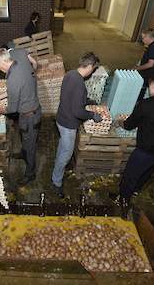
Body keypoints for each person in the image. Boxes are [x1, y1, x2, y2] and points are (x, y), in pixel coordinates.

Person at [110, 73, 154, 216]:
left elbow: (129, 125)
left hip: (146, 150)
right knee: (148, 170)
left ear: (152, 86)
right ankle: (136, 190)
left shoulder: (146, 105)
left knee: (130, 175)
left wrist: (119, 122)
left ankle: (122, 200)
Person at [51, 52, 102, 198]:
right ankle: (56, 182)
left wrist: (85, 100)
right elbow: (78, 112)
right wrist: (93, 115)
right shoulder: (80, 84)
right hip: (68, 124)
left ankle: (57, 169)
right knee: (66, 154)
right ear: (90, 66)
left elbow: (69, 96)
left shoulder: (70, 74)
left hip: (60, 118)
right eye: (94, 68)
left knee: (62, 147)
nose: (92, 71)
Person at [0, 48, 41, 186]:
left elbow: (12, 109)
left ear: (2, 62)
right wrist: (34, 65)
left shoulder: (13, 79)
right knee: (24, 137)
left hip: (30, 115)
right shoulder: (18, 56)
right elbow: (22, 50)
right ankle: (23, 153)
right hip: (30, 106)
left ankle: (30, 174)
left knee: (30, 145)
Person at [135, 29, 154, 101]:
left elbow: (150, 64)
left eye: (143, 38)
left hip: (149, 75)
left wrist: (138, 68)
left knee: (144, 93)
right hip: (153, 74)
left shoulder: (153, 47)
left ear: (148, 37)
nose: (142, 40)